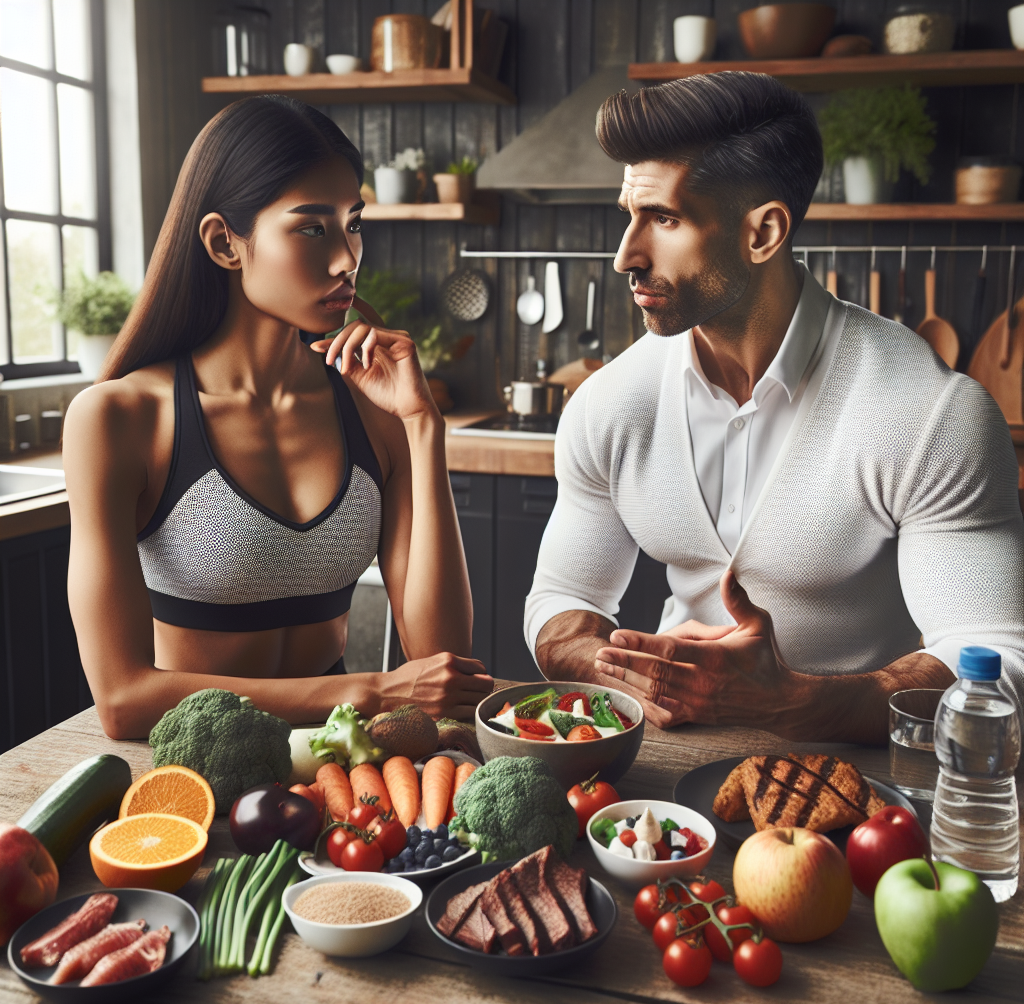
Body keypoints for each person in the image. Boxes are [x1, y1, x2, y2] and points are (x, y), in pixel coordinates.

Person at [524, 72, 1024, 744]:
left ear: (763, 233)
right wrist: (638, 673)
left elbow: (998, 665)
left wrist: (792, 703)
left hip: (865, 778)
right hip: (665, 774)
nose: (625, 258)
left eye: (665, 220)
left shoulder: (929, 413)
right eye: (628, 216)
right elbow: (562, 602)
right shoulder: (611, 404)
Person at [64, 96, 492, 739]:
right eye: (312, 228)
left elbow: (440, 661)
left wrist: (421, 427)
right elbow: (123, 700)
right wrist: (370, 691)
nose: (348, 257)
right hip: (192, 770)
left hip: (340, 764)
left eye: (353, 224)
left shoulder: (372, 407)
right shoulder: (121, 419)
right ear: (224, 243)